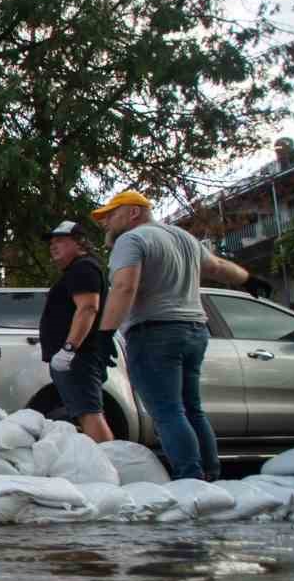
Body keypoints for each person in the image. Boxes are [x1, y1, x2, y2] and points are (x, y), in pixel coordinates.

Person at [92, 189, 269, 481]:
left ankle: (191, 479)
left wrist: (104, 334)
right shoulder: (183, 238)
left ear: (134, 212)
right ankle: (210, 474)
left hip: (154, 333)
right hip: (195, 330)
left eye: (111, 214)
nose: (105, 222)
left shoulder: (131, 240)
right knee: (192, 409)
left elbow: (124, 288)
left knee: (167, 411)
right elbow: (218, 267)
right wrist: (249, 279)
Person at [39, 220, 115, 443]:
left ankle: (110, 467)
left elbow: (88, 308)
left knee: (90, 414)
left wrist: (69, 349)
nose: (54, 246)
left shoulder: (83, 268)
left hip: (79, 357)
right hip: (77, 357)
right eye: (52, 242)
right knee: (87, 413)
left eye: (61, 240)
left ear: (80, 242)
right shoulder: (77, 269)